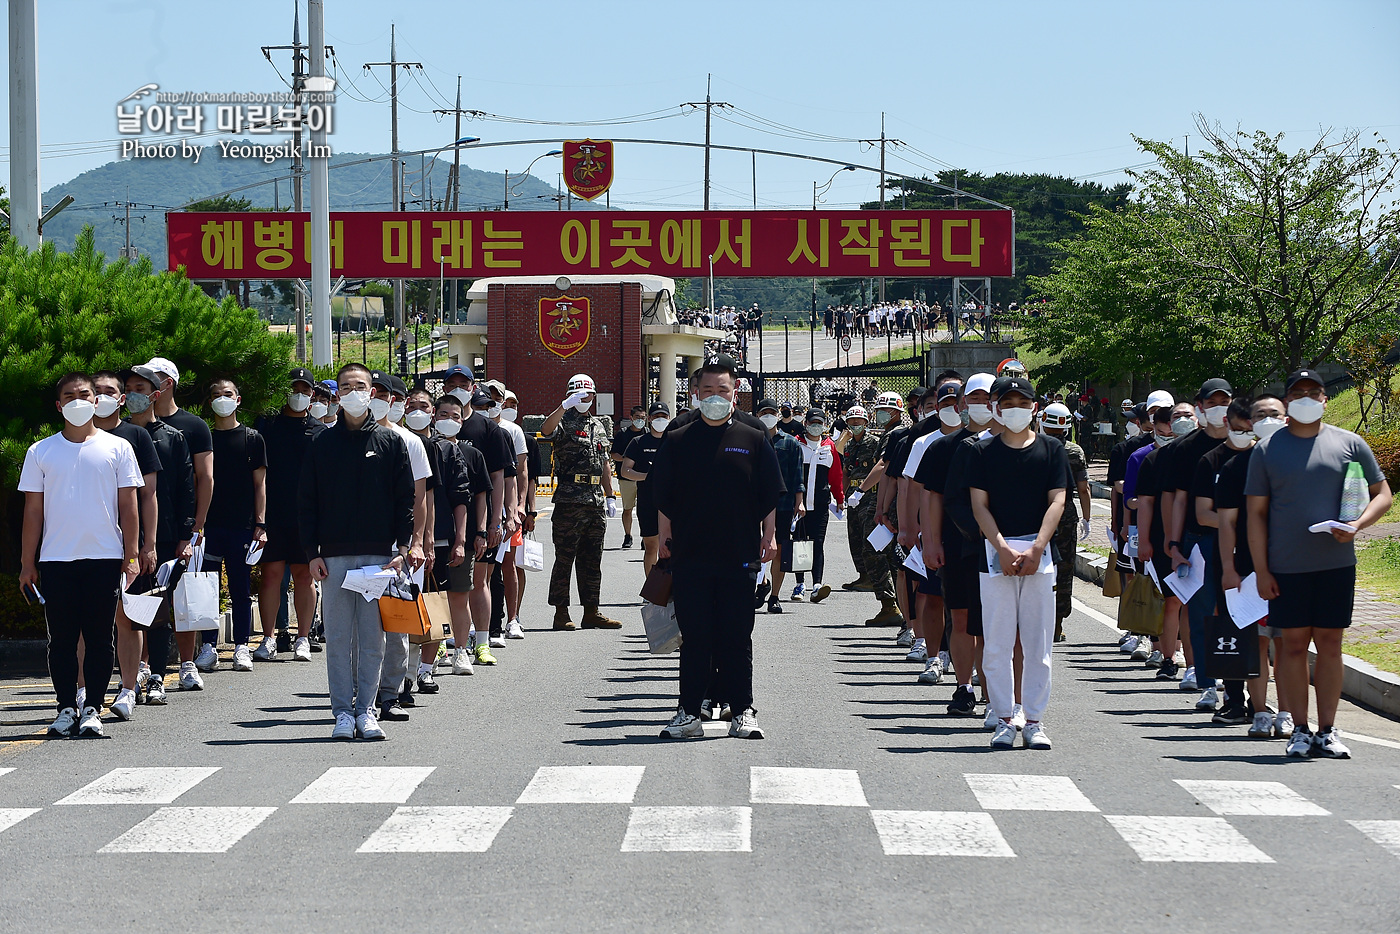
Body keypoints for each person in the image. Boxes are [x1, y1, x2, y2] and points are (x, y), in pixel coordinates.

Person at [1246, 369, 1392, 759]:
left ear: (1326, 399)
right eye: (1299, 392)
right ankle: (1300, 728)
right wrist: (1261, 570)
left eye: (1315, 392)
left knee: (1330, 644)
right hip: (1285, 566)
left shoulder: (1350, 443)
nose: (1307, 398)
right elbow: (1255, 515)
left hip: (1335, 564)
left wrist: (1358, 525)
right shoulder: (1267, 450)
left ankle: (1328, 729)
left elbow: (1382, 494)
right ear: (1288, 400)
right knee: (1292, 645)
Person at [653, 354, 782, 740]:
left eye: (722, 390)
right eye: (707, 390)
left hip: (738, 553)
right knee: (695, 636)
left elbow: (769, 494)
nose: (714, 396)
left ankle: (743, 710)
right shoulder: (677, 438)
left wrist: (770, 535)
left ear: (734, 393)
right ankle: (689, 712)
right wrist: (664, 537)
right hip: (690, 554)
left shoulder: (753, 437)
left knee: (737, 634)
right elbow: (664, 495)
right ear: (695, 392)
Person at [19, 373, 143, 739]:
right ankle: (65, 708)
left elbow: (129, 504)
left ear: (96, 401)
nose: (77, 400)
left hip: (104, 557)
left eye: (84, 394)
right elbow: (33, 512)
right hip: (56, 559)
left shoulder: (117, 448)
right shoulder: (40, 451)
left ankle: (93, 708)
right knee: (61, 639)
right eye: (69, 396)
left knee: (99, 637)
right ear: (59, 406)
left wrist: (131, 554)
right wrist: (28, 563)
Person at [300, 362, 416, 741]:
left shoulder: (390, 442)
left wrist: (403, 547)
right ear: (337, 394)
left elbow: (406, 500)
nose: (353, 392)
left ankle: (366, 710)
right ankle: (342, 713)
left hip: (377, 557)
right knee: (337, 638)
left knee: (372, 637)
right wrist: (311, 552)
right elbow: (308, 500)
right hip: (332, 558)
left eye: (360, 386)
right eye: (346, 386)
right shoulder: (321, 443)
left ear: (373, 392)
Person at [968, 376, 1068, 750]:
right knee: (997, 642)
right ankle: (1005, 718)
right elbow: (979, 505)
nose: (1014, 409)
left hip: (1039, 558)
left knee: (1038, 640)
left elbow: (1057, 500)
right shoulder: (982, 452)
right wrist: (1001, 548)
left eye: (1021, 403)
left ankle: (1034, 719)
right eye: (1006, 403)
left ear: (1034, 407)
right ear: (996, 407)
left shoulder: (1052, 448)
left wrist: (1038, 547)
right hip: (996, 558)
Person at [921, 372, 997, 715]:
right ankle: (964, 687)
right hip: (956, 544)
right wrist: (931, 541)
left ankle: (993, 689)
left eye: (986, 398)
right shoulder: (943, 448)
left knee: (994, 622)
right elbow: (932, 498)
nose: (979, 405)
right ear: (963, 401)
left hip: (999, 548)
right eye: (974, 398)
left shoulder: (1008, 445)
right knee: (963, 617)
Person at [1214, 395, 1290, 736]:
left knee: (1290, 644)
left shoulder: (1301, 461)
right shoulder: (1235, 468)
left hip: (1296, 567)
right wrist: (1229, 568)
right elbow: (1227, 524)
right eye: (1261, 415)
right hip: (1249, 568)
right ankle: (1259, 711)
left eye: (1275, 414)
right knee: (1257, 642)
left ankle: (1288, 712)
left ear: (1286, 417)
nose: (1268, 420)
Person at [122, 364, 195, 702]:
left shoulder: (172, 437)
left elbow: (185, 489)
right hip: (120, 537)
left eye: (142, 387)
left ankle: (157, 677)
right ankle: (133, 670)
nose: (134, 394)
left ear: (155, 393)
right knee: (128, 608)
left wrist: (185, 535)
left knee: (157, 606)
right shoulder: (113, 436)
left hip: (162, 536)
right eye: (130, 388)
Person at [89, 370, 160, 718]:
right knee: (83, 623)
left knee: (127, 618)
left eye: (108, 391)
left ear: (120, 399)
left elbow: (148, 496)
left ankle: (129, 688)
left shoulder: (135, 437)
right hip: (84, 545)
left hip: (126, 545)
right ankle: (83, 691)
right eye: (95, 391)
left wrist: (148, 545)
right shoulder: (73, 439)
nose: (101, 397)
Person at [1192, 395, 1262, 725]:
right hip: (1228, 553)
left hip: (1267, 555)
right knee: (1230, 624)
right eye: (1235, 428)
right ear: (1226, 424)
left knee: (1265, 632)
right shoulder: (1212, 461)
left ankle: (1261, 702)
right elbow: (1204, 514)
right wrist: (1236, 523)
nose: (1241, 434)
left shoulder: (1266, 460)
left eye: (1247, 429)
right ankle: (1233, 698)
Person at [1163, 378, 1231, 706]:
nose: (1219, 408)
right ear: (1200, 407)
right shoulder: (1185, 448)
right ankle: (1205, 679)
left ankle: (1237, 685)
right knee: (1202, 611)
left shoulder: (1246, 445)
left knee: (1235, 613)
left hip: (1240, 541)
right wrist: (1174, 543)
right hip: (1199, 538)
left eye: (1225, 401)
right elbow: (1178, 500)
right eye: (1212, 402)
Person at [440, 365, 512, 667]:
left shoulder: (488, 429)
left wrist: (499, 519)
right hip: (443, 521)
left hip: (478, 521)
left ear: (473, 387)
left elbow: (499, 478)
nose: (458, 387)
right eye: (452, 383)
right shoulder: (435, 428)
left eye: (464, 383)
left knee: (478, 580)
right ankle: (444, 641)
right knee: (443, 586)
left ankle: (481, 641)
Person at [371, 372, 432, 723]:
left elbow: (420, 497)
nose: (378, 399)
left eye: (385, 394)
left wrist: (417, 541)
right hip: (358, 544)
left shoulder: (409, 441)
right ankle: (364, 690)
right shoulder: (346, 438)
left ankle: (397, 686)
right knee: (362, 626)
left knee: (398, 622)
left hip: (399, 547)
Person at [253, 368, 324, 665]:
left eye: (305, 390)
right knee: (270, 576)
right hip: (273, 514)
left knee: (304, 575)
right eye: (294, 389)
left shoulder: (320, 431)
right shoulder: (266, 425)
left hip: (307, 517)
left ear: (312, 394)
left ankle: (304, 638)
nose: (299, 395)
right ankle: (268, 637)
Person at [540, 373, 622, 631]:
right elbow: (545, 430)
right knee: (565, 558)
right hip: (569, 500)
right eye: (579, 394)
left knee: (592, 559)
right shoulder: (563, 419)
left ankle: (591, 611)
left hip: (595, 499)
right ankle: (561, 612)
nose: (585, 399)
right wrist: (563, 406)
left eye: (589, 395)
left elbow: (605, 462)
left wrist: (610, 495)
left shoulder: (599, 425)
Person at [201, 378, 268, 674]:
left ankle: (242, 645)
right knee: (207, 588)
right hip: (209, 526)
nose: (222, 399)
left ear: (238, 400)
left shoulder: (252, 438)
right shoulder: (204, 438)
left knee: (240, 589)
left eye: (227, 394)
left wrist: (260, 523)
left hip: (242, 526)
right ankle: (208, 646)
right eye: (216, 394)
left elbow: (260, 485)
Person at [1040, 402, 1092, 643]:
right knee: (1064, 568)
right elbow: (1084, 488)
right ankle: (1057, 625)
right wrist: (1087, 518)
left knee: (1038, 568)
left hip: (1037, 513)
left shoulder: (1033, 446)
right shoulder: (1075, 452)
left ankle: (1036, 621)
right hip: (1066, 514)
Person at [483, 382, 530, 642]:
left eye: (495, 399)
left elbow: (520, 471)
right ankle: (484, 624)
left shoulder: (512, 431)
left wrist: (520, 505)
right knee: (483, 570)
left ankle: (513, 619)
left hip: (506, 509)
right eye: (486, 399)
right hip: (482, 507)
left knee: (508, 564)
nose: (491, 404)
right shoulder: (475, 428)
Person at [753, 399, 805, 614]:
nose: (768, 416)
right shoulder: (751, 440)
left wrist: (799, 502)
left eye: (771, 412)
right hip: (754, 503)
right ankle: (761, 583)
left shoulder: (790, 442)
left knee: (779, 549)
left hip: (782, 504)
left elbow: (797, 475)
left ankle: (774, 595)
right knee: (755, 547)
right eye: (764, 412)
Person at [791, 409, 843, 604]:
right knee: (799, 544)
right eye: (812, 422)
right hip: (799, 504)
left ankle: (817, 585)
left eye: (819, 423)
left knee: (818, 543)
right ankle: (799, 584)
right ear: (805, 423)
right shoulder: (796, 444)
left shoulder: (829, 447)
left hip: (820, 504)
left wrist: (839, 498)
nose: (816, 426)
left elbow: (836, 476)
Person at [620, 402, 670, 579]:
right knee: (651, 546)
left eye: (663, 417)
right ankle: (653, 589)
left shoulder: (675, 441)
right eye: (656, 417)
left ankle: (671, 588)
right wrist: (647, 476)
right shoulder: (639, 442)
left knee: (672, 547)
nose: (660, 420)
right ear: (649, 419)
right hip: (648, 501)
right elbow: (625, 470)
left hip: (671, 503)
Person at [612, 404, 648, 550]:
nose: (640, 420)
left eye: (643, 418)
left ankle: (645, 537)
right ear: (631, 418)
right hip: (626, 478)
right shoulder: (623, 434)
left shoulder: (647, 433)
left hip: (645, 478)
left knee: (644, 509)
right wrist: (628, 460)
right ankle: (628, 535)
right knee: (628, 508)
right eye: (637, 417)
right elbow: (613, 454)